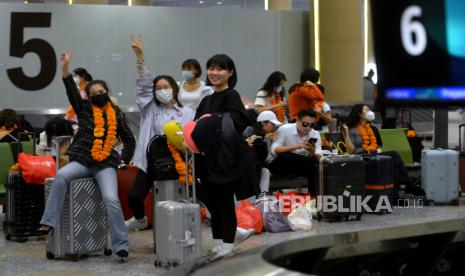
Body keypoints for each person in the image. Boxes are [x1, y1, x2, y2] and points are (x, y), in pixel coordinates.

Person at [38, 50, 136, 259]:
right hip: (82, 161)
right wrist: (64, 68)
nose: (97, 95)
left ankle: (121, 245)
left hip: (105, 166)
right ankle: (49, 222)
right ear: (88, 97)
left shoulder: (117, 113)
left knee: (111, 199)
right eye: (93, 94)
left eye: (101, 91)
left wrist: (123, 160)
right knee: (61, 176)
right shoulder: (83, 109)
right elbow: (70, 89)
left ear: (107, 92)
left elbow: (129, 139)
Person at [125, 36, 193, 231]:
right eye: (158, 88)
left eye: (166, 87)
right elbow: (143, 84)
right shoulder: (149, 108)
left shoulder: (186, 113)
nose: (162, 91)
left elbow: (188, 140)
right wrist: (140, 56)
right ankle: (140, 219)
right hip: (150, 162)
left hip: (176, 163)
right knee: (134, 196)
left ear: (174, 89)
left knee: (192, 195)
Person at [194, 54, 257, 258]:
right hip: (206, 159)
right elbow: (196, 126)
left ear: (230, 72)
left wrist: (213, 120)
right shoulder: (206, 100)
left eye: (220, 68)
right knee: (212, 204)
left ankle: (227, 246)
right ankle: (218, 243)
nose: (214, 72)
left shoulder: (232, 96)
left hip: (224, 160)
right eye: (211, 68)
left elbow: (239, 122)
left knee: (224, 203)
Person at [341, 104, 424, 195]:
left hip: (372, 155)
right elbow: (351, 150)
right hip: (360, 157)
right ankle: (408, 185)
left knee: (393, 156)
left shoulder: (372, 128)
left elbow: (379, 145)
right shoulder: (350, 129)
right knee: (393, 155)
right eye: (367, 110)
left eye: (370, 110)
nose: (370, 112)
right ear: (360, 114)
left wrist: (378, 151)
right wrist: (346, 135)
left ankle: (396, 193)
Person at [268, 109, 322, 195]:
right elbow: (274, 150)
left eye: (312, 125)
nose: (308, 128)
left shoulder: (315, 134)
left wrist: (313, 151)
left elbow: (319, 155)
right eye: (305, 124)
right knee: (285, 156)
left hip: (301, 165)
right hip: (281, 165)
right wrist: (298, 146)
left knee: (315, 164)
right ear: (297, 120)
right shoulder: (285, 129)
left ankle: (314, 197)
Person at [252, 110, 282, 194]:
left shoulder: (266, 137)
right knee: (265, 171)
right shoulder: (254, 136)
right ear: (263, 123)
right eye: (272, 124)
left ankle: (263, 196)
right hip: (252, 170)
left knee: (265, 171)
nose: (274, 127)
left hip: (260, 168)